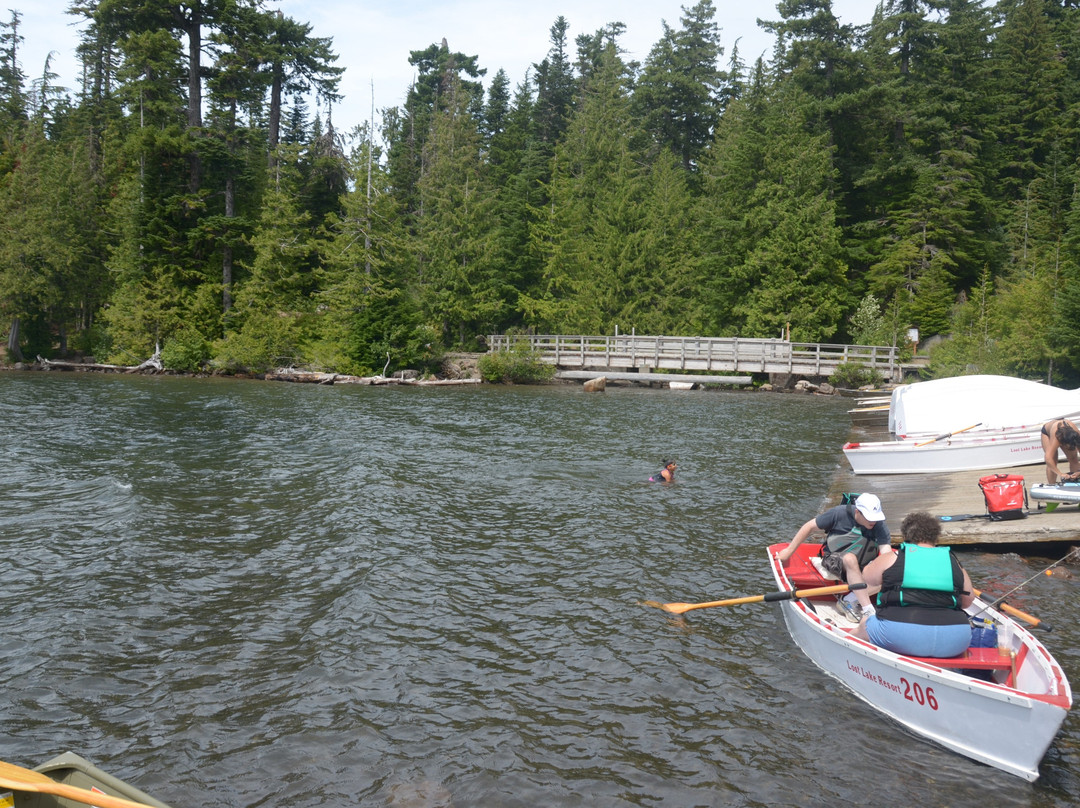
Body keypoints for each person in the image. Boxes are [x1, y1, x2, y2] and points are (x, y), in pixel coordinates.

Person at [853, 511, 974, 657]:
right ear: (935, 537)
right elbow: (967, 601)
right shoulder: (953, 561)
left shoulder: (894, 557)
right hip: (955, 639)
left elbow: (867, 578)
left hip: (901, 635)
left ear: (906, 535)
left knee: (865, 623)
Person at [776, 493, 892, 621]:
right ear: (858, 512)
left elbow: (886, 553)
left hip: (862, 564)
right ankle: (868, 610)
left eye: (875, 517)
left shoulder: (879, 525)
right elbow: (809, 526)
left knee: (890, 568)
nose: (873, 521)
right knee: (850, 559)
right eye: (870, 518)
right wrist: (789, 551)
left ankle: (849, 600)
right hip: (834, 559)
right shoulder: (838, 513)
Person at [1041, 417, 1080, 484]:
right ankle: (1052, 484)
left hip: (1066, 433)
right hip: (1047, 432)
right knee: (1053, 460)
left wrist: (1078, 472)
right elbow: (1048, 458)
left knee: (1073, 458)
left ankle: (1075, 481)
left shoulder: (1077, 436)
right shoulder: (1056, 439)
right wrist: (1060, 474)